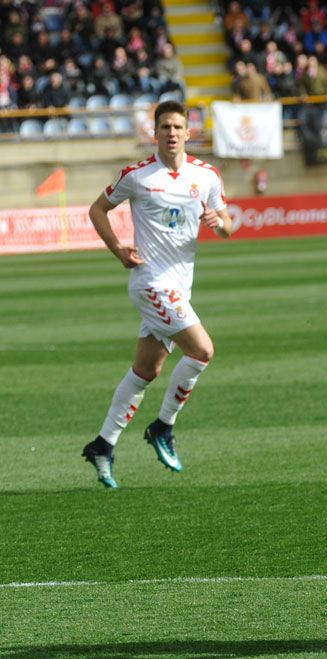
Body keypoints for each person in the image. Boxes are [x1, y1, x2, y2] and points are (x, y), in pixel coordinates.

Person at [81, 100, 233, 488]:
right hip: (150, 281)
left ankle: (103, 444)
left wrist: (221, 224)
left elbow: (228, 222)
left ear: (188, 132)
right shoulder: (137, 176)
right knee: (202, 351)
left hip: (180, 286)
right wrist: (118, 249)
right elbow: (97, 210)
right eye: (164, 126)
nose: (171, 133)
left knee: (146, 371)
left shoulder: (207, 176)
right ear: (155, 132)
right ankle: (162, 427)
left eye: (178, 127)